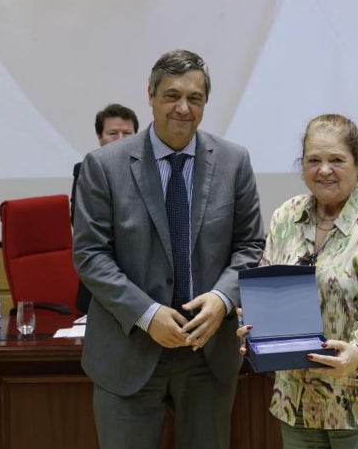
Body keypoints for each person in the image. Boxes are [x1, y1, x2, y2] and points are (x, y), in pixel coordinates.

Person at [72, 49, 265, 449]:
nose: (183, 108)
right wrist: (146, 314)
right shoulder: (103, 166)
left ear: (205, 103)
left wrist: (222, 299)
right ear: (150, 95)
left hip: (207, 354)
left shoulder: (234, 161)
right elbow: (90, 255)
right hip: (128, 353)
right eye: (171, 95)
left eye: (194, 98)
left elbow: (250, 244)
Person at [238, 114, 358, 448]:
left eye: (336, 160)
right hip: (299, 403)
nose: (324, 170)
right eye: (313, 160)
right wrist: (254, 326)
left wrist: (356, 353)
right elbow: (268, 284)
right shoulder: (286, 217)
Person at [71, 103, 139, 314]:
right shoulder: (85, 171)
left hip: (143, 285)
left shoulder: (153, 173)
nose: (120, 139)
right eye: (112, 133)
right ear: (100, 137)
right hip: (100, 285)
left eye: (127, 133)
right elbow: (80, 221)